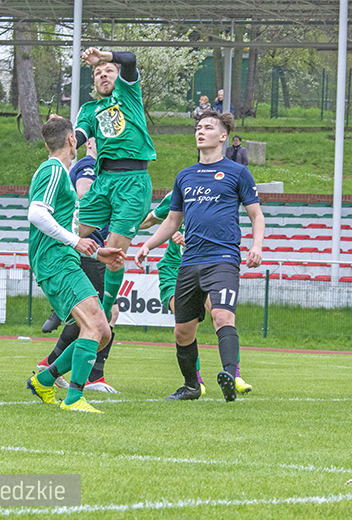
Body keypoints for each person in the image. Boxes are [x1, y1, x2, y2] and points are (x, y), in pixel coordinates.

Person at [135, 110, 264, 402]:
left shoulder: (238, 172)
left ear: (223, 136)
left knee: (221, 315)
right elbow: (171, 221)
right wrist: (149, 245)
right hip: (190, 261)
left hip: (223, 259)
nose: (200, 131)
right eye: (198, 127)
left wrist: (256, 246)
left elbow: (256, 215)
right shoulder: (185, 176)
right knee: (183, 331)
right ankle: (192, 386)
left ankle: (230, 376)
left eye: (208, 127)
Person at [25, 117, 125, 414]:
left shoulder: (58, 171)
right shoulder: (54, 169)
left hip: (63, 258)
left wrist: (97, 253)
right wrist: (75, 241)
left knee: (103, 331)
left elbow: (61, 223)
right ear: (72, 140)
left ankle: (44, 379)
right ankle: (75, 397)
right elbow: (36, 214)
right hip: (55, 261)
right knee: (95, 325)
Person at [73, 47, 156, 327]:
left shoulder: (129, 95)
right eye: (97, 73)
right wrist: (64, 137)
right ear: (94, 83)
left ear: (117, 75)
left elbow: (131, 58)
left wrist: (104, 57)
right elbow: (80, 135)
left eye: (108, 70)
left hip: (132, 182)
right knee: (68, 236)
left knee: (115, 254)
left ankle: (106, 309)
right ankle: (67, 295)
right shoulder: (89, 109)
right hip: (103, 181)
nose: (103, 74)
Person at [140, 192, 253, 395]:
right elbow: (148, 221)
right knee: (184, 325)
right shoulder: (179, 193)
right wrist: (119, 226)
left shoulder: (219, 195)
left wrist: (188, 241)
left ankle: (233, 375)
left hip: (207, 264)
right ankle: (196, 381)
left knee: (221, 315)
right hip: (174, 269)